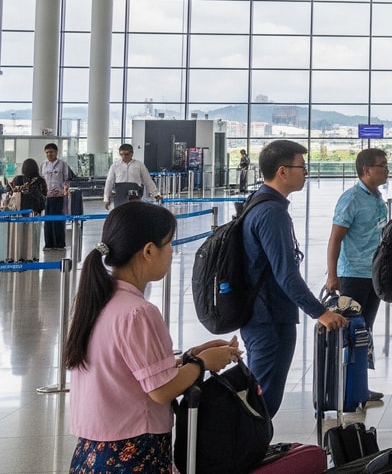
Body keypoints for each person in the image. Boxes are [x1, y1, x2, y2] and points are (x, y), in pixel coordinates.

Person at [64, 200, 242, 473]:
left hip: (93, 449)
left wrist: (188, 358)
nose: (172, 252)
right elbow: (161, 391)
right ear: (148, 251)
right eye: (168, 244)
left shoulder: (100, 299)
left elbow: (128, 371)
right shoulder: (139, 312)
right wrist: (202, 364)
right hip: (132, 451)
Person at [241, 140, 348, 417]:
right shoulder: (271, 212)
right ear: (282, 171)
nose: (306, 172)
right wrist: (320, 312)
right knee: (264, 400)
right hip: (270, 318)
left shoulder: (258, 202)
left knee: (261, 394)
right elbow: (286, 274)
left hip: (260, 314)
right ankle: (250, 453)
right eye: (302, 166)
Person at [324, 147, 390, 404]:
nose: (386, 169)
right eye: (381, 165)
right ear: (366, 170)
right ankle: (343, 388)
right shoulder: (351, 198)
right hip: (353, 274)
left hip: (374, 273)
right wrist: (333, 275)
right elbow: (335, 238)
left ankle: (359, 386)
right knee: (348, 331)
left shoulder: (376, 197)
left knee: (364, 330)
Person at [41, 142, 72, 249]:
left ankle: (60, 244)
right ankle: (49, 244)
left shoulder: (63, 164)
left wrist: (65, 191)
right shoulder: (43, 165)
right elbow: (41, 180)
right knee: (47, 221)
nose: (49, 154)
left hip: (59, 196)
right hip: (47, 197)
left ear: (56, 152)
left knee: (58, 221)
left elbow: (67, 180)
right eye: (47, 152)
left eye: (51, 152)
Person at [103, 144, 153, 209]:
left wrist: (155, 194)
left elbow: (147, 180)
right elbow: (109, 182)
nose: (124, 156)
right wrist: (106, 198)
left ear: (132, 153)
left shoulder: (139, 165)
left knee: (135, 213)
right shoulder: (115, 166)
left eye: (126, 154)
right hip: (120, 194)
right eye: (121, 154)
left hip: (135, 195)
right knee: (120, 214)